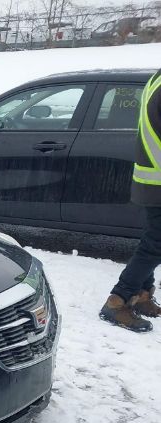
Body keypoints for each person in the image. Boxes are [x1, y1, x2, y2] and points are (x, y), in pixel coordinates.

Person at [100, 69, 161, 332]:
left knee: (153, 239)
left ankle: (142, 295)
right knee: (155, 244)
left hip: (152, 177)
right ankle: (117, 300)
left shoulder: (157, 78)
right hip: (158, 180)